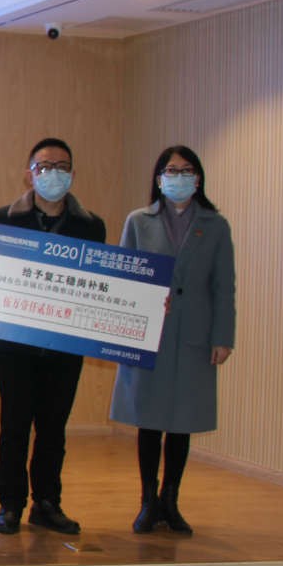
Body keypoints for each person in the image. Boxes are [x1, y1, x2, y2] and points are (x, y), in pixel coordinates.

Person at [110, 145, 235, 535]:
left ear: (198, 178)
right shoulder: (138, 221)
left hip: (194, 336)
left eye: (186, 171)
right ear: (159, 178)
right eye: (171, 170)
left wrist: (223, 337)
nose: (178, 177)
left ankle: (171, 500)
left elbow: (224, 287)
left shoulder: (216, 225)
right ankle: (148, 501)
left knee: (182, 422)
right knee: (149, 420)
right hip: (149, 335)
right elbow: (123, 279)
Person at [0, 138, 106, 536]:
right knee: (14, 426)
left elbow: (100, 285)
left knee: (54, 428)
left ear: (72, 173)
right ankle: (10, 503)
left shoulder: (91, 226)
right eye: (44, 166)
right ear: (29, 174)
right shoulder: (3, 220)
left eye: (62, 166)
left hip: (65, 345)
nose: (53, 173)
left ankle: (47, 503)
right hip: (15, 344)